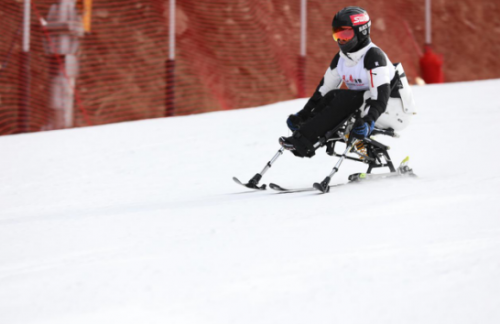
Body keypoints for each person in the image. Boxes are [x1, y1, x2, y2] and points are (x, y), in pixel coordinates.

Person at [279, 6, 416, 158]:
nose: (341, 40)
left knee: (344, 99)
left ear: (361, 31)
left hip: (394, 109)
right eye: (337, 35)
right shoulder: (341, 59)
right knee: (333, 96)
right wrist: (303, 115)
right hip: (368, 105)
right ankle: (304, 137)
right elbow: (323, 92)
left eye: (346, 34)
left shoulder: (373, 56)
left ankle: (303, 141)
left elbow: (380, 95)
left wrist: (368, 121)